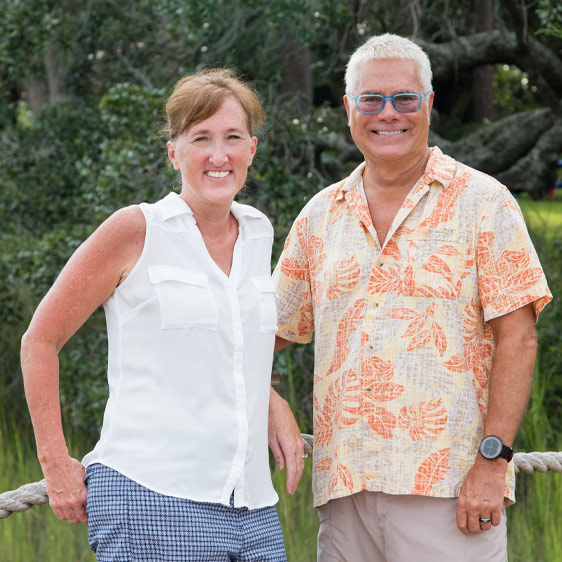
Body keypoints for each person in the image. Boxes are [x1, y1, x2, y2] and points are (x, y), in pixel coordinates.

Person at [269, 33, 552, 561]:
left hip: (450, 496)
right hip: (345, 497)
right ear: (349, 108)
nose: (388, 113)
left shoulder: (485, 202)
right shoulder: (319, 216)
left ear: (428, 105)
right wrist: (268, 397)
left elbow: (519, 339)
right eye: (372, 99)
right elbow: (267, 334)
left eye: (404, 98)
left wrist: (493, 464)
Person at [21, 69, 301, 561]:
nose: (219, 155)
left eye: (233, 138)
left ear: (252, 149)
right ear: (174, 152)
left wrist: (272, 401)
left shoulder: (259, 233)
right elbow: (39, 341)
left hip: (254, 506)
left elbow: (231, 343)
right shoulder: (136, 229)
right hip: (150, 499)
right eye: (201, 139)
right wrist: (54, 461)